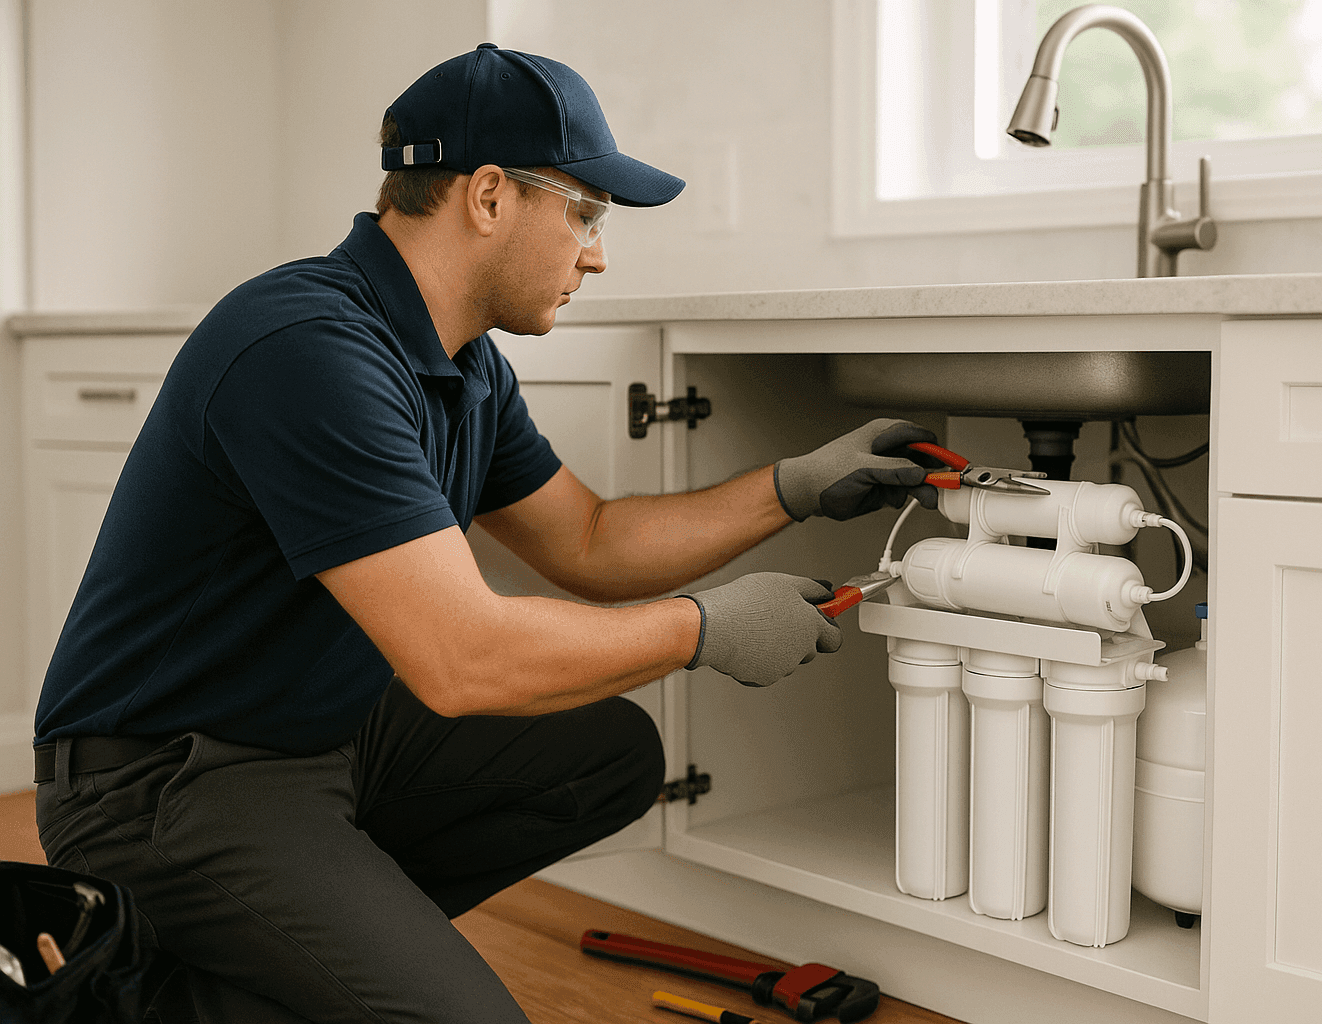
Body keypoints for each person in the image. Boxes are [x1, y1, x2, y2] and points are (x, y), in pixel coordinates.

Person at [31, 44, 937, 1023]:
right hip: (167, 780)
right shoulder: (309, 350)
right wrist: (701, 628)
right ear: (492, 195)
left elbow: (588, 539)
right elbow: (462, 660)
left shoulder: (462, 363)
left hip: (321, 728)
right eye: (585, 214)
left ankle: (301, 954)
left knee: (610, 756)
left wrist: (793, 487)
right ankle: (141, 989)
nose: (597, 252)